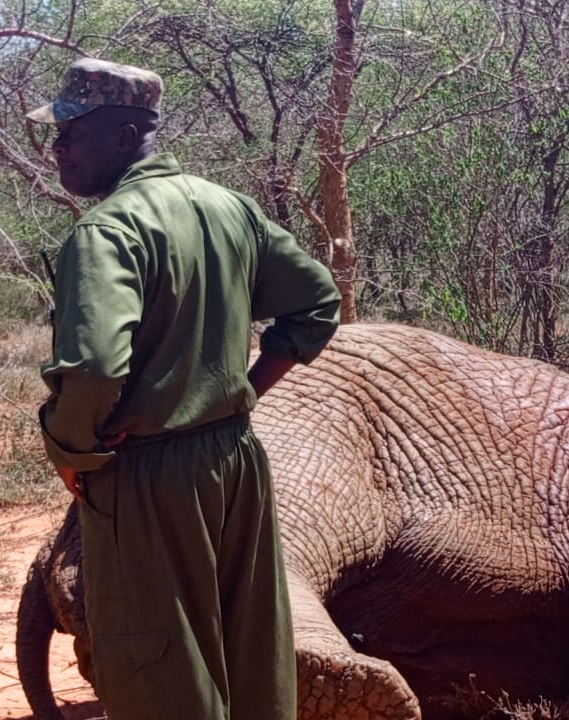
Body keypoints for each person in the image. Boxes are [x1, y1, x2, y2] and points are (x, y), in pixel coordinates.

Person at [29, 58, 340, 720]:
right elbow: (316, 301)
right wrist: (245, 390)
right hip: (234, 462)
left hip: (145, 477)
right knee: (248, 658)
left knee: (159, 673)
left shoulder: (105, 232)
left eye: (70, 132)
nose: (56, 148)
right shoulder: (230, 208)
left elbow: (91, 371)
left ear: (121, 135)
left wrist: (71, 452)